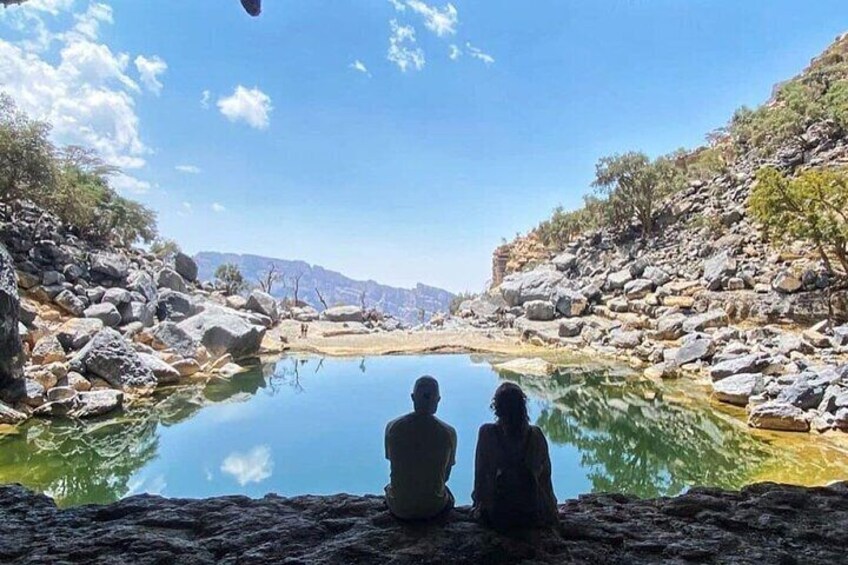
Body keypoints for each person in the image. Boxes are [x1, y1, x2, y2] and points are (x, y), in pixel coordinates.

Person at [472, 382, 558, 531]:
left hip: (498, 516)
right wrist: (551, 511)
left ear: (496, 409)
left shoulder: (487, 433)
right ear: (523, 407)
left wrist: (478, 506)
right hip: (531, 514)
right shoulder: (536, 435)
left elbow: (481, 476)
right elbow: (545, 478)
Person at [384, 376, 457, 521]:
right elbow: (446, 477)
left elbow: (392, 462)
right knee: (448, 495)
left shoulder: (393, 427)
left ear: (412, 397)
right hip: (434, 508)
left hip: (400, 508)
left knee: (389, 487)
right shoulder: (448, 432)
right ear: (438, 400)